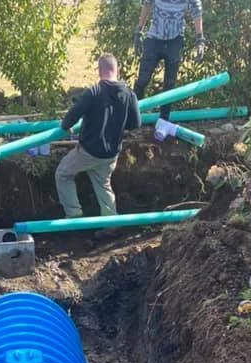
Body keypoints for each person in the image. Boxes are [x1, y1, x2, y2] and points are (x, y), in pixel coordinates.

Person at [55, 54, 141, 220]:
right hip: (111, 154)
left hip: (89, 151)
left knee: (63, 174)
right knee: (103, 184)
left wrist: (65, 127)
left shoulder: (93, 92)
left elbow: (71, 117)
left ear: (99, 71)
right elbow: (135, 123)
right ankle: (111, 223)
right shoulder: (129, 95)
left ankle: (74, 215)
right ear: (118, 70)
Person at [132, 0, 205, 142]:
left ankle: (163, 121)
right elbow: (146, 5)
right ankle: (132, 118)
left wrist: (200, 40)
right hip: (154, 38)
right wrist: (138, 30)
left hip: (174, 40)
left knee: (169, 84)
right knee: (142, 80)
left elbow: (197, 13)